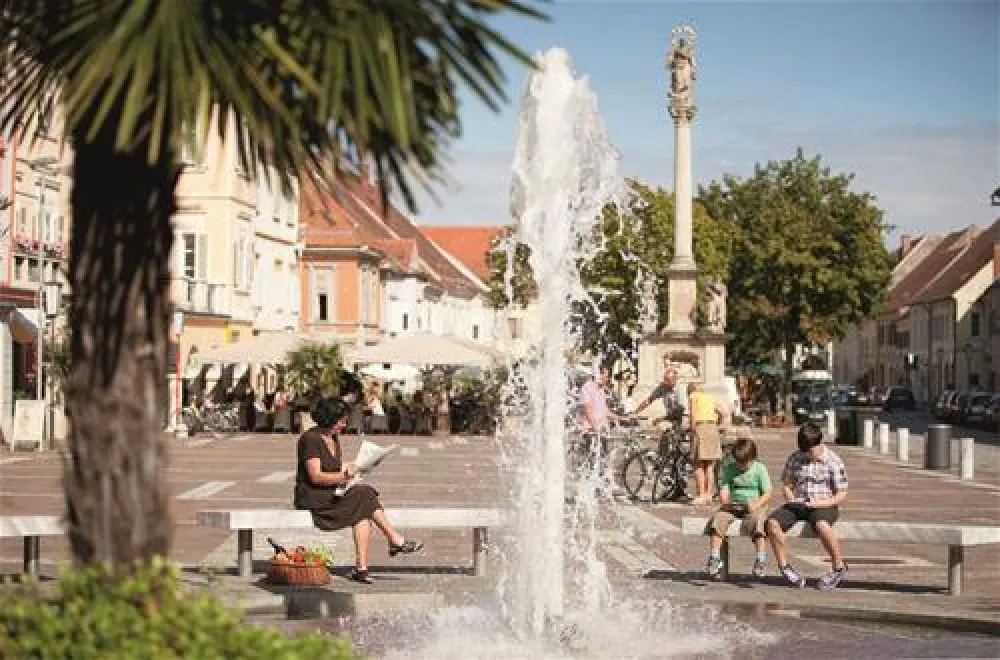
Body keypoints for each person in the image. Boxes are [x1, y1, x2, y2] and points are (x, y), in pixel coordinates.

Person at [294, 397, 422, 584]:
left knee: (363, 509)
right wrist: (345, 477)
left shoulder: (332, 437)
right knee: (365, 495)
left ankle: (361, 568)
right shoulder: (311, 439)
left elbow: (334, 466)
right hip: (316, 499)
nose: (344, 424)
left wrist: (359, 465)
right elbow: (316, 476)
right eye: (341, 420)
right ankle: (395, 539)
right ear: (329, 419)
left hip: (330, 494)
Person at [767, 423, 849, 590]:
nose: (809, 455)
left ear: (820, 443)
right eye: (805, 452)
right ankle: (784, 566)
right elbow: (787, 484)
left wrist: (821, 503)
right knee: (772, 523)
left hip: (824, 503)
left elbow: (842, 493)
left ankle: (838, 566)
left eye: (811, 451)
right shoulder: (795, 458)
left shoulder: (833, 461)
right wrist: (791, 499)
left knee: (822, 525)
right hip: (800, 503)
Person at [705, 437, 772, 580]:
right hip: (735, 505)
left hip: (754, 505)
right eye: (738, 462)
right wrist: (725, 499)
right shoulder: (730, 468)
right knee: (718, 520)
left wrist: (756, 504)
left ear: (753, 458)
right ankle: (714, 556)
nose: (741, 466)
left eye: (744, 463)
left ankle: (761, 558)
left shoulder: (759, 469)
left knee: (758, 523)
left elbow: (767, 493)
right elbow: (725, 487)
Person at [687, 382, 725, 505]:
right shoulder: (710, 397)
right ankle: (708, 494)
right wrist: (717, 423)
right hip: (712, 428)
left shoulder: (693, 396)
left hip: (701, 427)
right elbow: (723, 412)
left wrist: (692, 430)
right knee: (710, 465)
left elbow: (692, 415)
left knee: (698, 464)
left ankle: (701, 495)